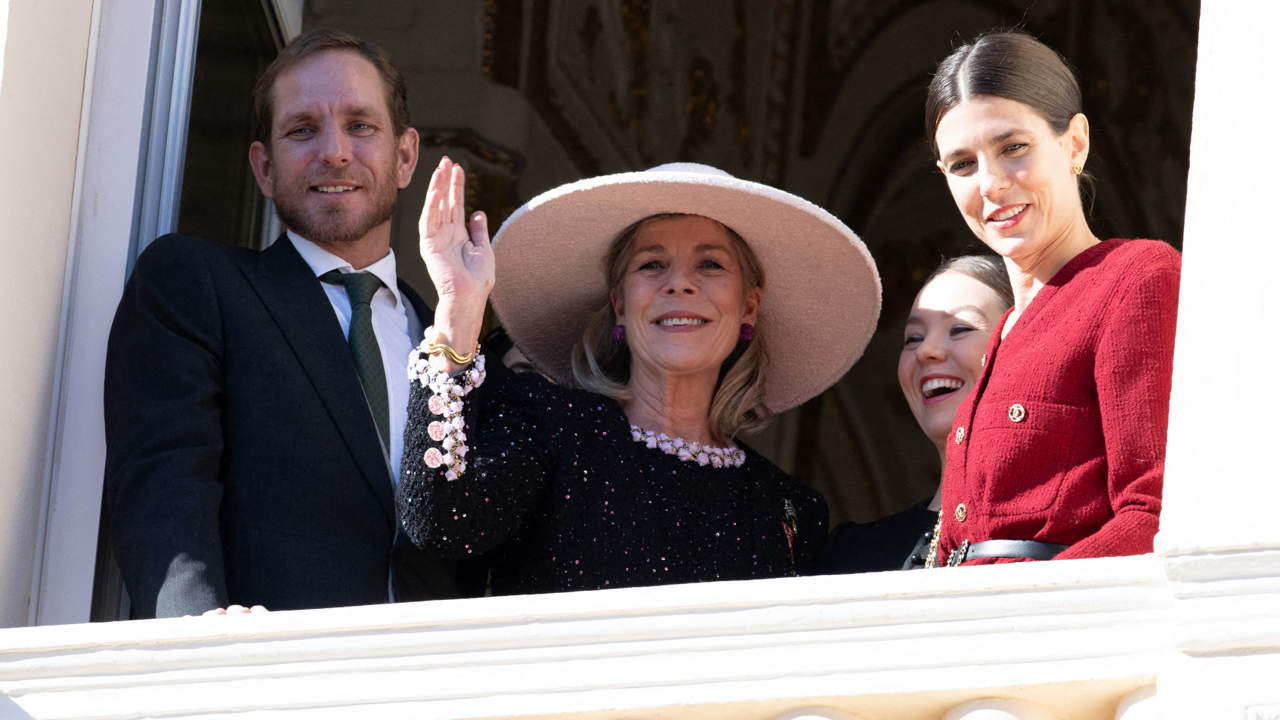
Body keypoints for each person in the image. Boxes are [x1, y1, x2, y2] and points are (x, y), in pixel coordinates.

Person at [104, 29, 488, 617]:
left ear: (405, 156)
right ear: (264, 167)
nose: (334, 151)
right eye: (302, 130)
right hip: (264, 683)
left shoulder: (450, 336)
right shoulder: (198, 284)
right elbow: (164, 484)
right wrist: (196, 638)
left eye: (361, 126)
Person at [396, 160, 881, 594]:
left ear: (748, 306)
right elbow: (440, 519)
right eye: (652, 265)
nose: (679, 283)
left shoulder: (787, 508)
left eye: (710, 264)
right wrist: (458, 315)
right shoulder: (552, 428)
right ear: (620, 305)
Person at [924, 31, 1181, 566]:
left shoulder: (1135, 277)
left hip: (1058, 635)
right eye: (963, 165)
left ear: (1075, 144)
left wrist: (1029, 609)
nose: (991, 183)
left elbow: (1156, 513)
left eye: (1013, 148)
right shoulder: (1003, 331)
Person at [820, 256, 1012, 573]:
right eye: (913, 338)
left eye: (961, 328)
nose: (925, 352)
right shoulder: (850, 556)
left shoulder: (1067, 530)